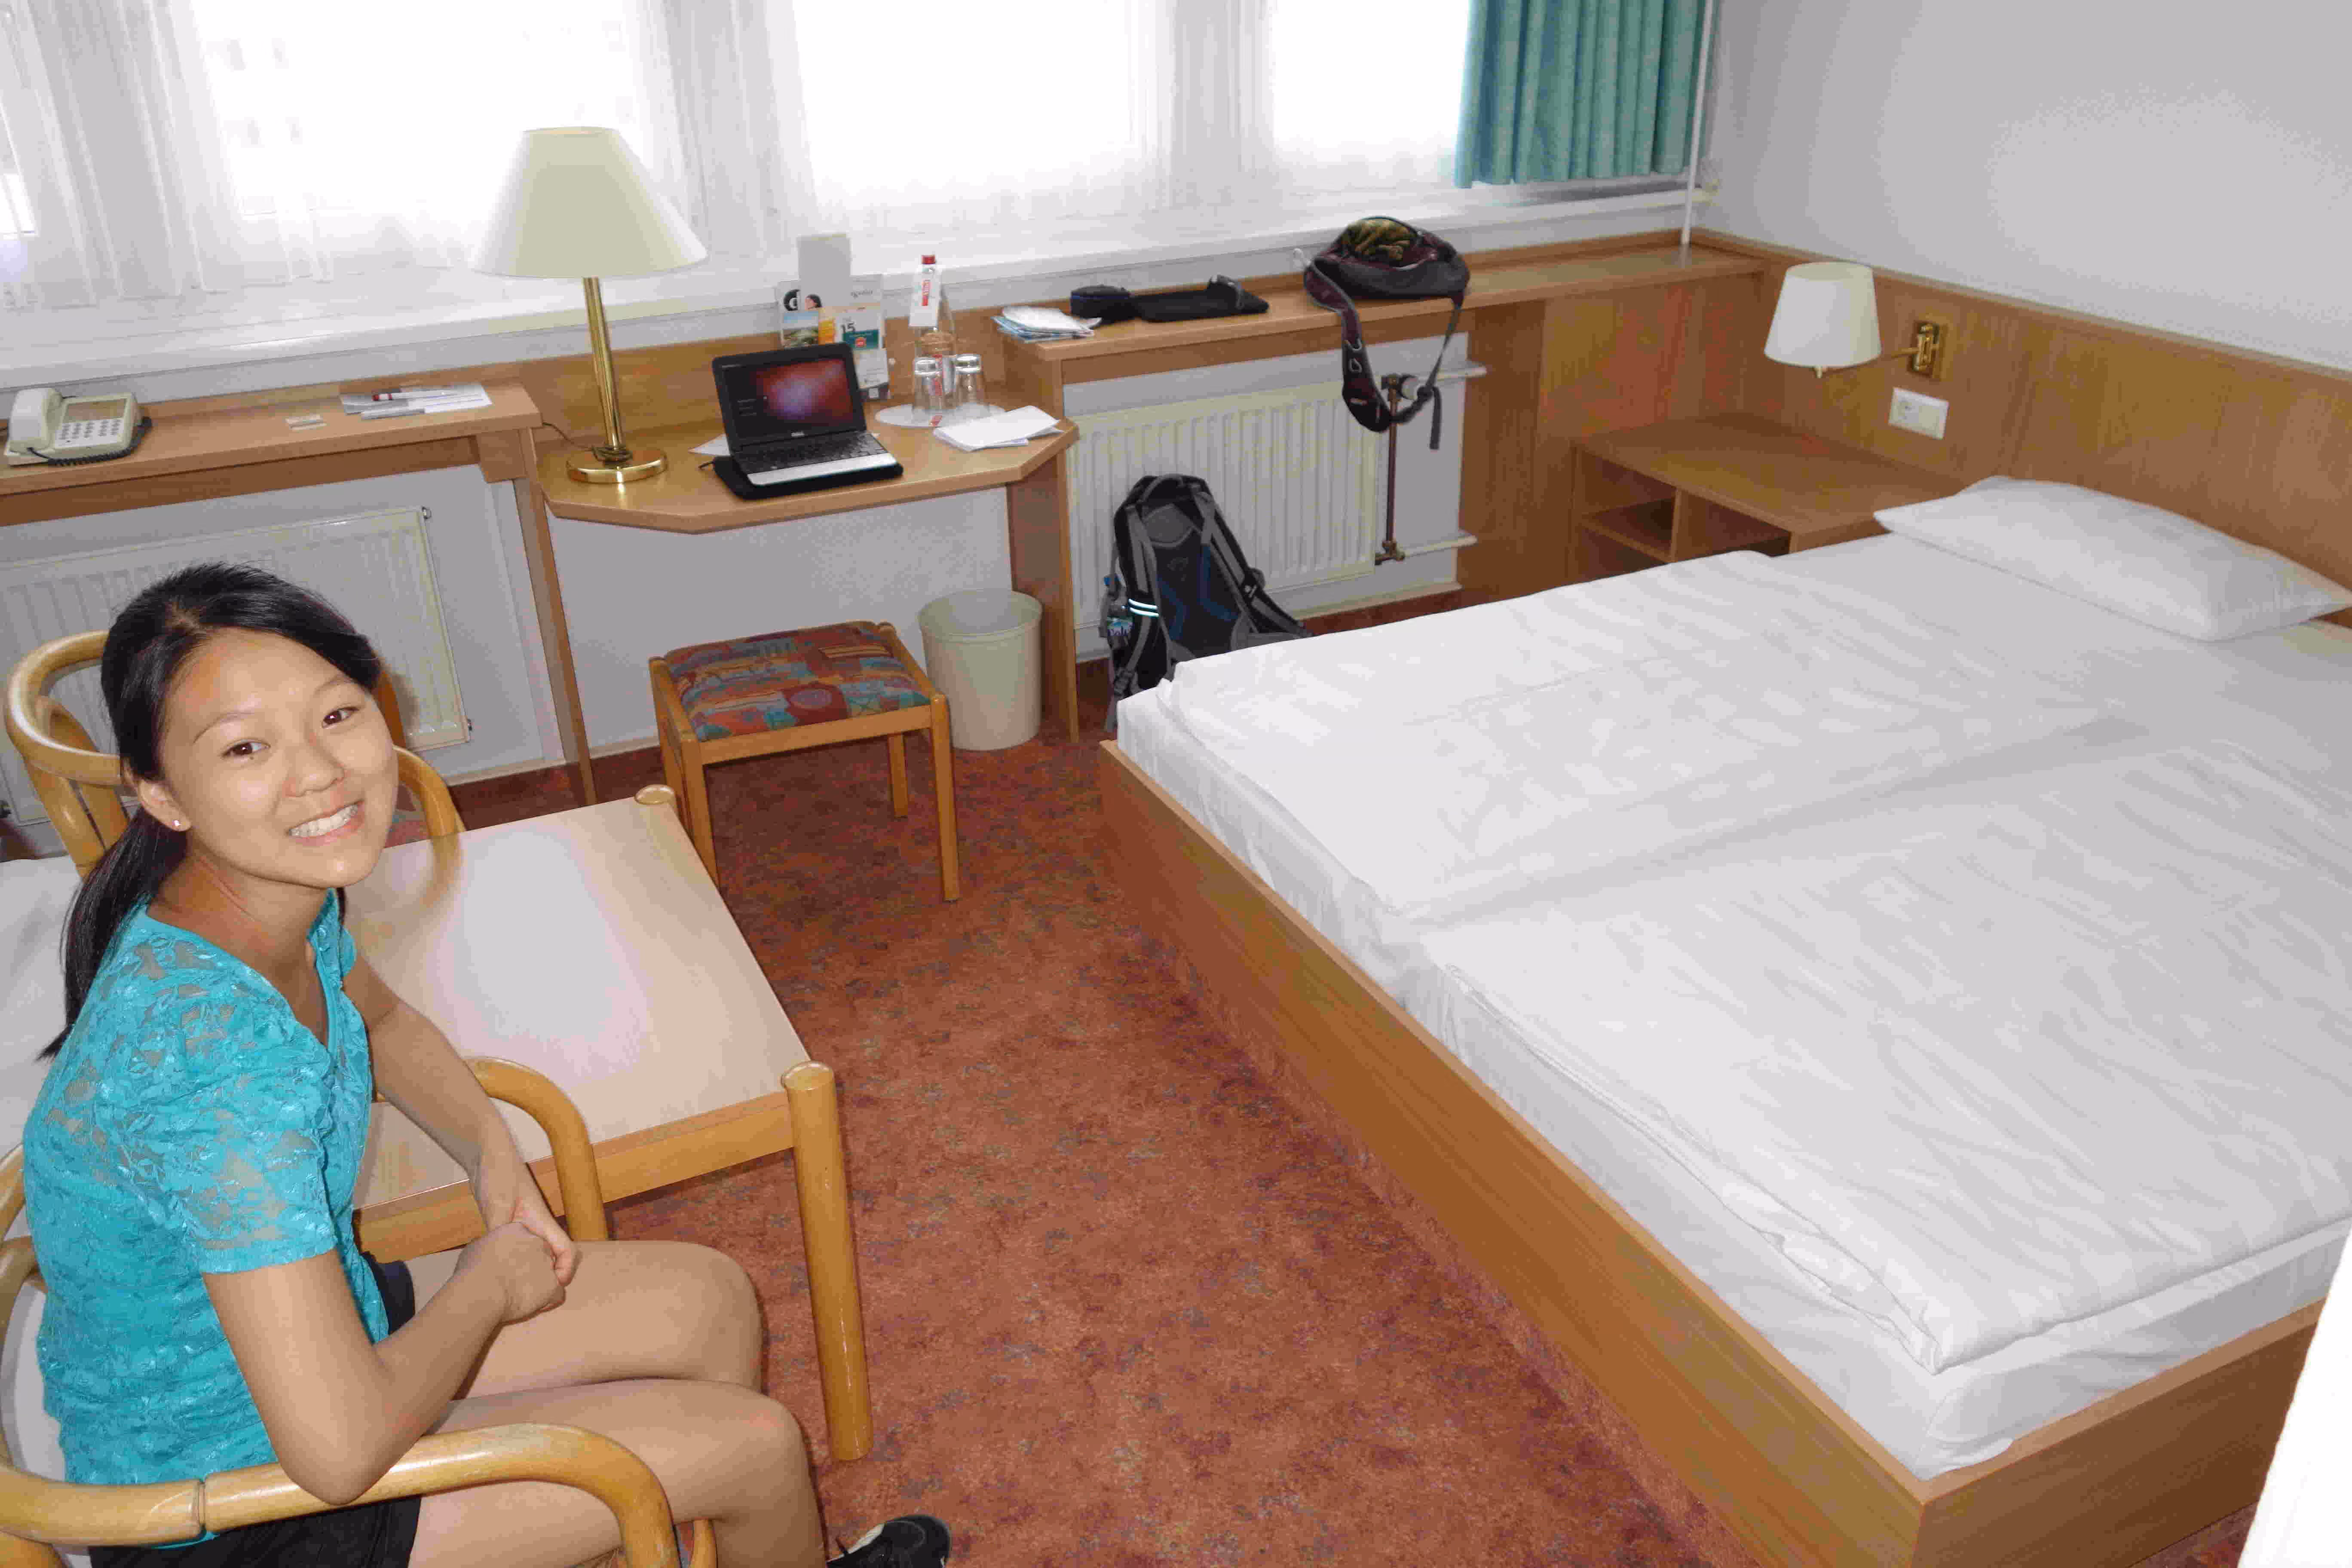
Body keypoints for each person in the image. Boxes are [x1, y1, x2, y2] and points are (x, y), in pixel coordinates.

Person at [21, 563, 949, 1568]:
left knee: (710, 1298)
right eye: (246, 747)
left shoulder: (260, 900)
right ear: (159, 792)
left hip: (307, 1361)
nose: (319, 774)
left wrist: (491, 1156)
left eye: (336, 715)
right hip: (240, 1516)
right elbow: (337, 1454)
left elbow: (382, 1022)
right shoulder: (210, 1057)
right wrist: (487, 1287)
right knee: (757, 1451)